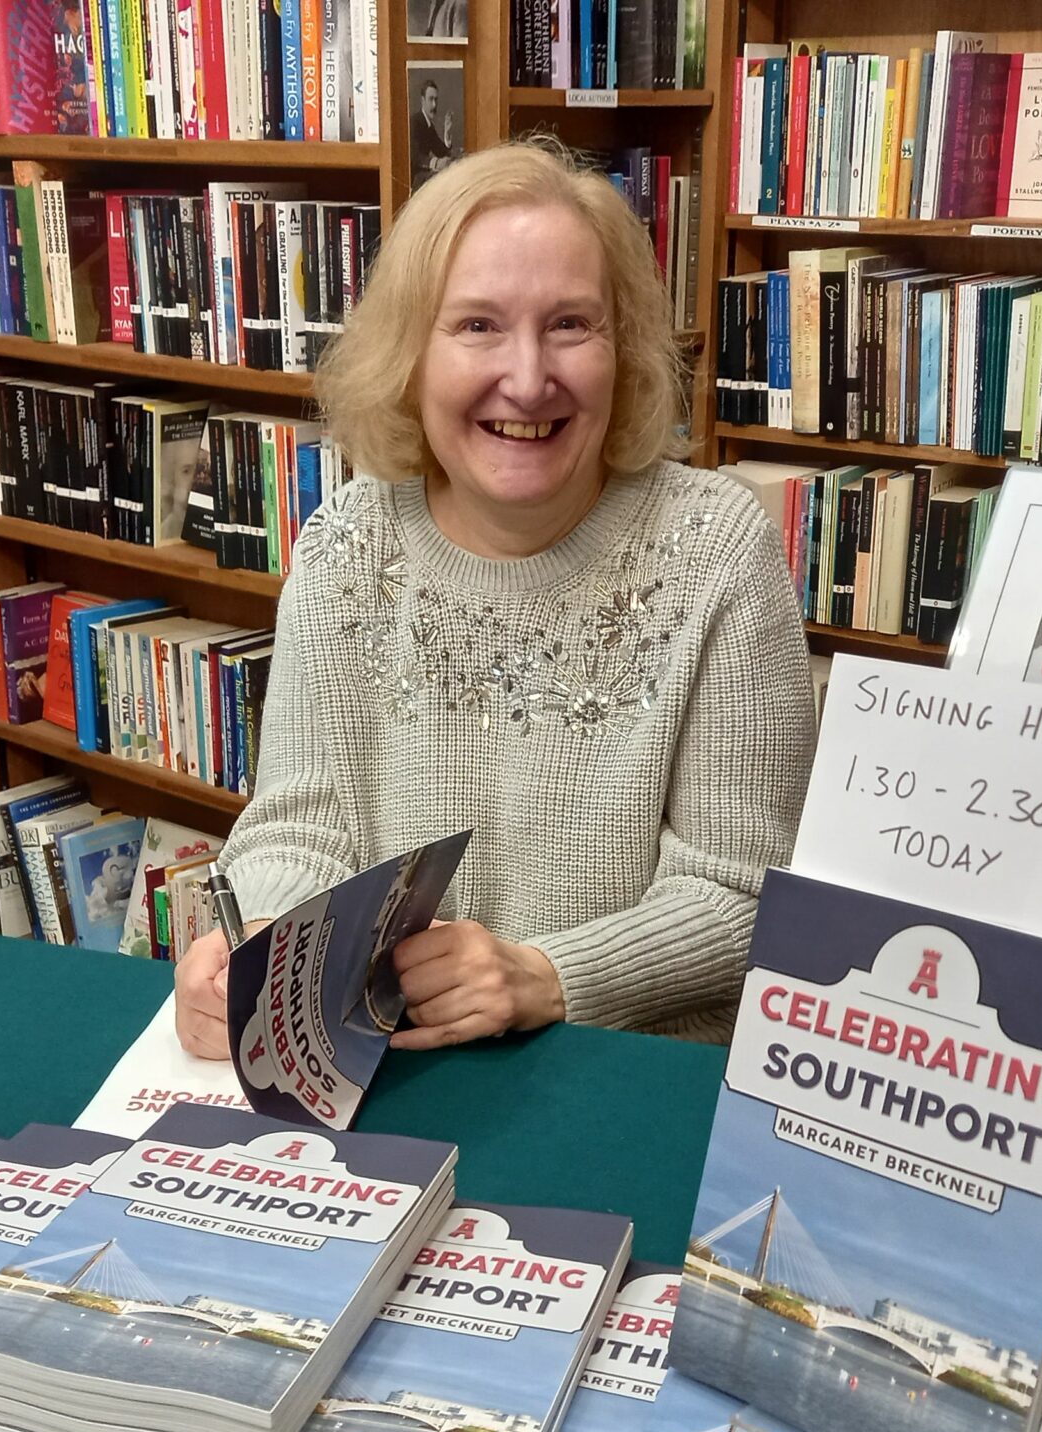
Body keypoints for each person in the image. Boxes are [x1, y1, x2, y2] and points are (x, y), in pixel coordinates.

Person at [174, 138, 816, 1058]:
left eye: (570, 325)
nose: (526, 378)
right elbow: (304, 826)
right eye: (477, 325)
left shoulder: (717, 547)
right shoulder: (349, 544)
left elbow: (746, 897)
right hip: (389, 1062)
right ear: (411, 353)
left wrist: (548, 976)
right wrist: (261, 951)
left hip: (624, 1073)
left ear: (623, 348)